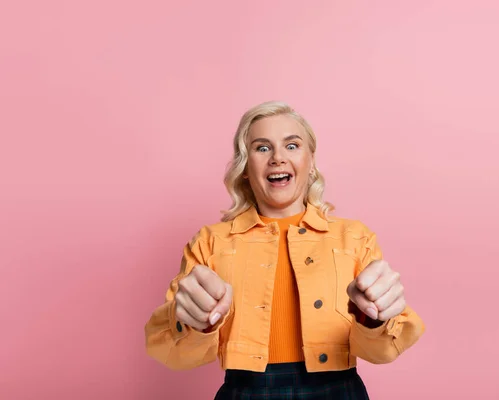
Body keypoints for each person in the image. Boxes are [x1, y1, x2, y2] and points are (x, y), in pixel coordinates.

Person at [144, 101, 426, 399]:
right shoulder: (210, 242)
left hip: (337, 391)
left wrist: (375, 319)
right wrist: (193, 323)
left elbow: (383, 351)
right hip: (247, 391)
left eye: (292, 145)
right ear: (244, 167)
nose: (278, 157)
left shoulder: (355, 238)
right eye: (262, 148)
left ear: (310, 161)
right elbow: (175, 354)